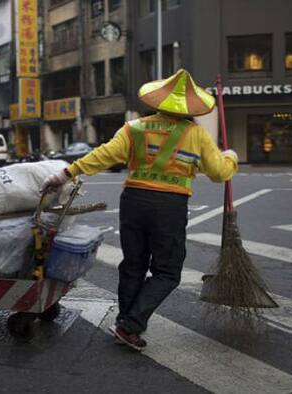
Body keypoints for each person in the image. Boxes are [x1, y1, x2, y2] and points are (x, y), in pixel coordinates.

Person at [41, 69, 238, 351]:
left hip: (133, 200)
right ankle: (129, 325)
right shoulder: (197, 135)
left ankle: (126, 321)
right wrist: (231, 158)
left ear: (158, 101)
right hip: (169, 206)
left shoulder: (134, 128)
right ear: (188, 108)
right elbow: (219, 173)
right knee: (167, 272)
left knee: (133, 265)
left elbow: (104, 154)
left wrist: (66, 173)